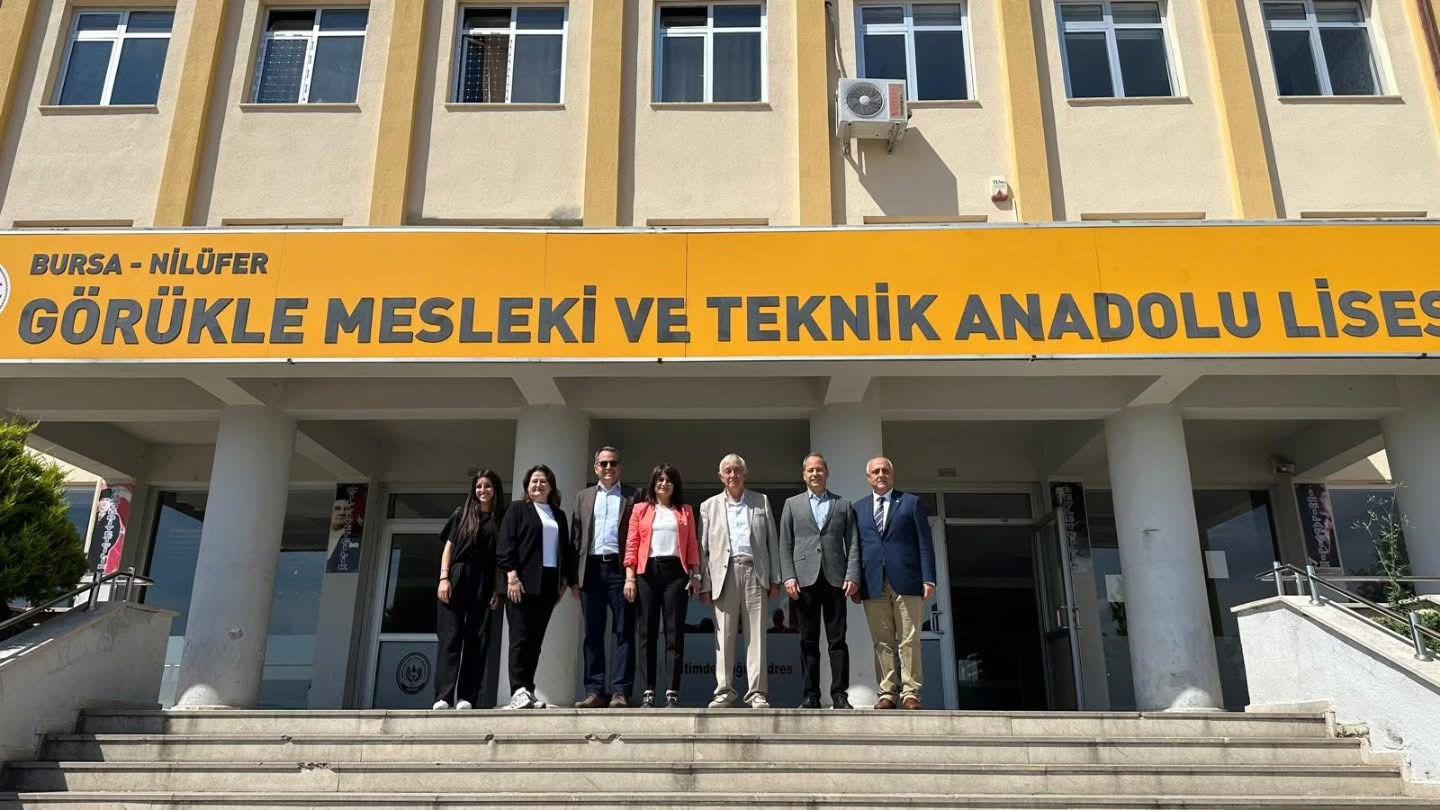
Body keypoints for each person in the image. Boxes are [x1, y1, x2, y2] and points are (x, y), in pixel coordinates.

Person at [778, 453, 860, 709]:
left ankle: (839, 694)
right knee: (808, 640)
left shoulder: (843, 505)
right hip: (804, 580)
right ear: (804, 475)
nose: (815, 474)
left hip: (836, 580)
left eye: (819, 469)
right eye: (810, 470)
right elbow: (785, 543)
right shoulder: (792, 504)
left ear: (827, 473)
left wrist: (852, 575)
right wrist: (789, 576)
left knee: (838, 640)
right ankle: (810, 694)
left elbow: (853, 543)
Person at [698, 453, 779, 708]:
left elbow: (772, 542)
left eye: (737, 470)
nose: (733, 475)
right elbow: (703, 549)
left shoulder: (761, 501)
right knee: (724, 636)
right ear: (721, 476)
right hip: (724, 574)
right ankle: (724, 691)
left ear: (745, 474)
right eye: (728, 471)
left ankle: (757, 693)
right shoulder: (708, 506)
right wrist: (704, 583)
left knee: (757, 635)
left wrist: (775, 578)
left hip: (755, 572)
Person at [855, 456, 936, 710]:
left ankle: (911, 693)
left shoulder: (911, 503)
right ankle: (887, 693)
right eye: (876, 471)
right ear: (868, 477)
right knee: (882, 640)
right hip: (872, 582)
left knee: (909, 639)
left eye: (885, 470)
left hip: (908, 580)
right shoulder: (859, 508)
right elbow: (856, 549)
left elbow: (924, 543)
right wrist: (855, 580)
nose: (881, 474)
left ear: (892, 475)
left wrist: (928, 577)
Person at [622, 463, 701, 707]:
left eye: (668, 480)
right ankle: (648, 690)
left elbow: (692, 545)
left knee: (674, 632)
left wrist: (695, 575)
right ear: (653, 483)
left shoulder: (685, 511)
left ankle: (672, 690)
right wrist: (630, 577)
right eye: (659, 479)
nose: (664, 483)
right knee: (646, 632)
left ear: (675, 485)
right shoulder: (641, 509)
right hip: (647, 572)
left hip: (676, 573)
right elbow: (632, 544)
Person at [497, 463, 575, 709]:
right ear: (527, 486)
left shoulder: (558, 515)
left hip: (548, 585)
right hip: (521, 583)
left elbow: (565, 550)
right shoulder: (518, 509)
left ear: (551, 486)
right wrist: (511, 576)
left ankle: (527, 691)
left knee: (535, 642)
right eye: (534, 481)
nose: (538, 485)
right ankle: (517, 690)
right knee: (520, 639)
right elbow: (506, 544)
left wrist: (565, 582)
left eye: (543, 481)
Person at [571, 446, 642, 708]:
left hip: (620, 570)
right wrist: (573, 578)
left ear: (620, 467)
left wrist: (633, 574)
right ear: (596, 468)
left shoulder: (634, 495)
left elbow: (639, 534)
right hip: (590, 570)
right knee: (592, 633)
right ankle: (594, 690)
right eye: (603, 464)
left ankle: (620, 690)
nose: (608, 468)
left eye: (613, 463)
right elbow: (576, 537)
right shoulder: (583, 496)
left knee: (624, 631)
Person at [433, 470, 505, 710]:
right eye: (478, 486)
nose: (482, 490)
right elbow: (448, 549)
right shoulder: (461, 514)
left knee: (477, 639)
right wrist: (444, 578)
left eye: (487, 486)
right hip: (457, 576)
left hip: (484, 581)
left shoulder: (500, 520)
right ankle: (443, 697)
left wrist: (496, 589)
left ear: (495, 489)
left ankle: (466, 697)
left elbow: (499, 559)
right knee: (450, 637)